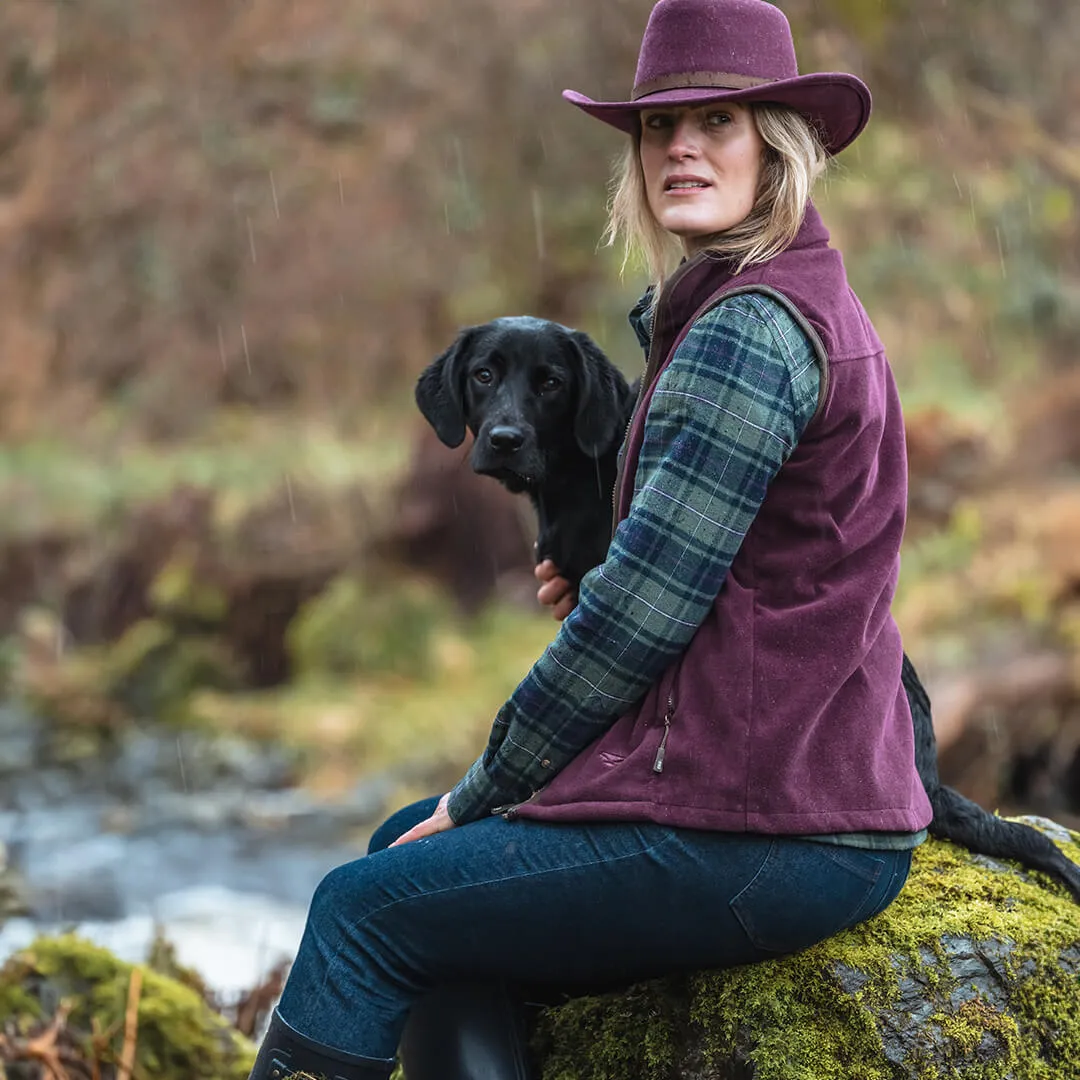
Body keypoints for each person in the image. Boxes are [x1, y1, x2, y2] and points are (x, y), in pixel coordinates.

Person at [246, 1, 933, 1077]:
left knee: (360, 912)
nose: (683, 147)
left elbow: (638, 620)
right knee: (403, 858)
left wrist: (487, 788)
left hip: (766, 834)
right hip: (796, 803)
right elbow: (778, 579)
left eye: (721, 120)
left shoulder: (747, 334)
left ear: (780, 145)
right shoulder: (789, 302)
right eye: (660, 127)